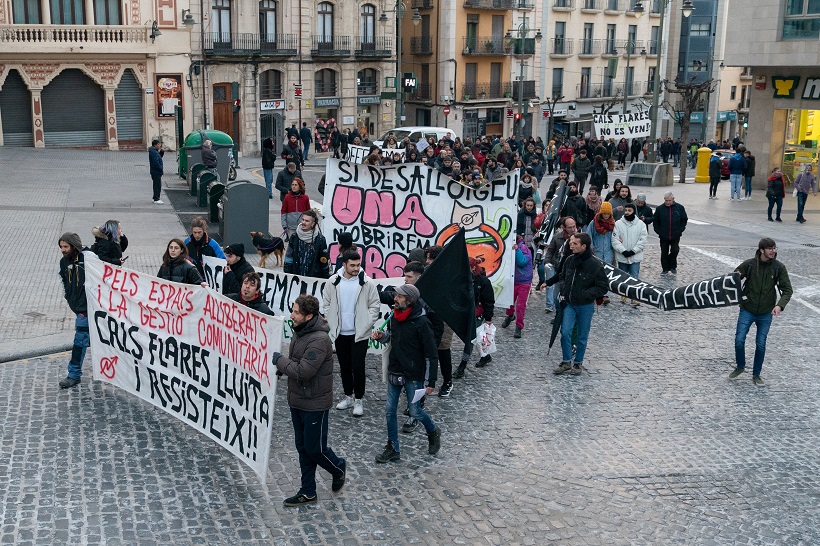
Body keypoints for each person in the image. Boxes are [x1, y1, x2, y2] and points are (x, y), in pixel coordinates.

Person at [273, 294, 346, 506]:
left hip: (314, 403)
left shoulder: (320, 340)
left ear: (308, 316)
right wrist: (283, 369)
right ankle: (308, 491)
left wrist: (280, 362)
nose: (291, 315)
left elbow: (304, 371)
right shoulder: (300, 331)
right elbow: (295, 362)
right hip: (297, 399)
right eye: (293, 310)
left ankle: (338, 467)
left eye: (296, 312)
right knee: (302, 447)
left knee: (315, 449)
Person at [372, 284, 441, 464]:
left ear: (409, 300)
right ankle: (393, 448)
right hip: (395, 369)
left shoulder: (422, 323)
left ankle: (432, 430)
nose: (395, 298)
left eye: (399, 296)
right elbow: (393, 338)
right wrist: (382, 337)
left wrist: (430, 381)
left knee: (415, 411)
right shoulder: (395, 317)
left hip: (413, 374)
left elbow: (432, 354)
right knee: (389, 411)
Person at [729, 238, 792, 386]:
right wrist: (737, 275)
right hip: (747, 309)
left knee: (761, 344)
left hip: (765, 312)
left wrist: (780, 306)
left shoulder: (778, 267)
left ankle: (756, 374)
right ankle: (740, 366)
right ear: (762, 250)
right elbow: (734, 278)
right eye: (770, 248)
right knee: (739, 340)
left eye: (774, 248)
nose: (773, 251)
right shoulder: (750, 264)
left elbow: (788, 290)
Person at [324, 251, 380, 418]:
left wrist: (366, 323)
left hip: (359, 334)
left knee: (358, 367)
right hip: (340, 333)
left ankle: (359, 399)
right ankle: (348, 396)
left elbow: (374, 305)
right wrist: (332, 322)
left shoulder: (367, 283)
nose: (356, 268)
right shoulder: (333, 282)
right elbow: (326, 303)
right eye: (352, 265)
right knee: (344, 366)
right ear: (344, 265)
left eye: (358, 265)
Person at [551, 232, 609, 376]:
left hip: (585, 305)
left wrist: (585, 295)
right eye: (571, 243)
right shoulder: (570, 260)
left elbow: (602, 287)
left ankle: (578, 363)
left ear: (584, 246)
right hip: (569, 303)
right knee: (565, 332)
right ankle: (566, 361)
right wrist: (564, 289)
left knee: (582, 336)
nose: (571, 245)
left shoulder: (595, 265)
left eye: (575, 243)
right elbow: (562, 276)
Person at [58, 233, 91, 389]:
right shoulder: (63, 262)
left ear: (74, 246)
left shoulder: (88, 259)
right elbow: (65, 281)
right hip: (78, 308)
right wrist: (68, 297)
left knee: (80, 341)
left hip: (89, 308)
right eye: (61, 247)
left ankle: (73, 375)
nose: (63, 250)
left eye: (66, 247)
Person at [453, 257, 495, 378]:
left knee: (470, 339)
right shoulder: (461, 279)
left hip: (477, 314)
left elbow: (488, 301)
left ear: (472, 268)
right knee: (474, 337)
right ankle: (485, 356)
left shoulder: (483, 282)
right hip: (464, 313)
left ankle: (462, 365)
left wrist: (488, 319)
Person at [611, 202, 647, 306]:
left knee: (634, 276)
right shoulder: (618, 224)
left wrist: (633, 251)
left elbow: (643, 240)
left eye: (629, 211)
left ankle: (634, 297)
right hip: (622, 256)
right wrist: (623, 250)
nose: (627, 212)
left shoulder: (641, 225)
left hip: (635, 256)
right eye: (626, 210)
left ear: (634, 212)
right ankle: (624, 294)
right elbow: (615, 239)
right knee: (623, 276)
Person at [502, 236, 533, 338]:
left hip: (524, 281)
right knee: (509, 302)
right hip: (513, 280)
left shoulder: (523, 248)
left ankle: (519, 326)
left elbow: (522, 262)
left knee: (520, 306)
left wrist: (517, 250)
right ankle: (510, 315)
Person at [584, 201, 615, 305]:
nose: (606, 216)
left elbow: (616, 236)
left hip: (608, 252)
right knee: (596, 273)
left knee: (607, 274)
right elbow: (589, 235)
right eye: (604, 213)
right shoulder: (594, 222)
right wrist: (591, 247)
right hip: (597, 251)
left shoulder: (613, 223)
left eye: (608, 214)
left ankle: (606, 294)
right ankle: (596, 293)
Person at [284, 210, 330, 278]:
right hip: (296, 278)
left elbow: (324, 261)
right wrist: (287, 274)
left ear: (313, 224)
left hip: (313, 279)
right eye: (303, 220)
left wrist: (325, 278)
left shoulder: (320, 240)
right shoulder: (294, 237)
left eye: (307, 221)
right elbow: (288, 257)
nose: (303, 222)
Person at [652, 192, 688, 275]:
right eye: (666, 200)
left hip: (675, 234)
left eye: (669, 200)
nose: (667, 202)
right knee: (664, 252)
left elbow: (684, 219)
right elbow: (656, 220)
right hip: (664, 235)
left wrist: (680, 229)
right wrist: (659, 231)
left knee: (675, 250)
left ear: (673, 200)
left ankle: (673, 266)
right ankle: (665, 268)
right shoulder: (660, 208)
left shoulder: (679, 207)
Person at [149, 139, 164, 204]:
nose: (159, 145)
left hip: (155, 171)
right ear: (155, 145)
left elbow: (158, 158)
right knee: (157, 185)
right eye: (158, 144)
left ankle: (155, 197)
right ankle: (156, 199)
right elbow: (156, 162)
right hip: (156, 171)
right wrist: (160, 169)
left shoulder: (155, 151)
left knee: (156, 185)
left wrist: (161, 153)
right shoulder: (153, 152)